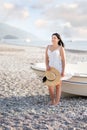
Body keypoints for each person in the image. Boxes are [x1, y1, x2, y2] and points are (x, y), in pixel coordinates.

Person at [45, 33, 66, 105]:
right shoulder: (48, 47)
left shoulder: (60, 48)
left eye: (54, 38)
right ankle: (52, 100)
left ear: (58, 39)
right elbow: (46, 58)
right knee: (50, 86)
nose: (53, 39)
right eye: (52, 38)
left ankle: (56, 101)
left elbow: (63, 60)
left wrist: (63, 71)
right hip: (50, 69)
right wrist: (47, 66)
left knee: (58, 85)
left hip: (58, 68)